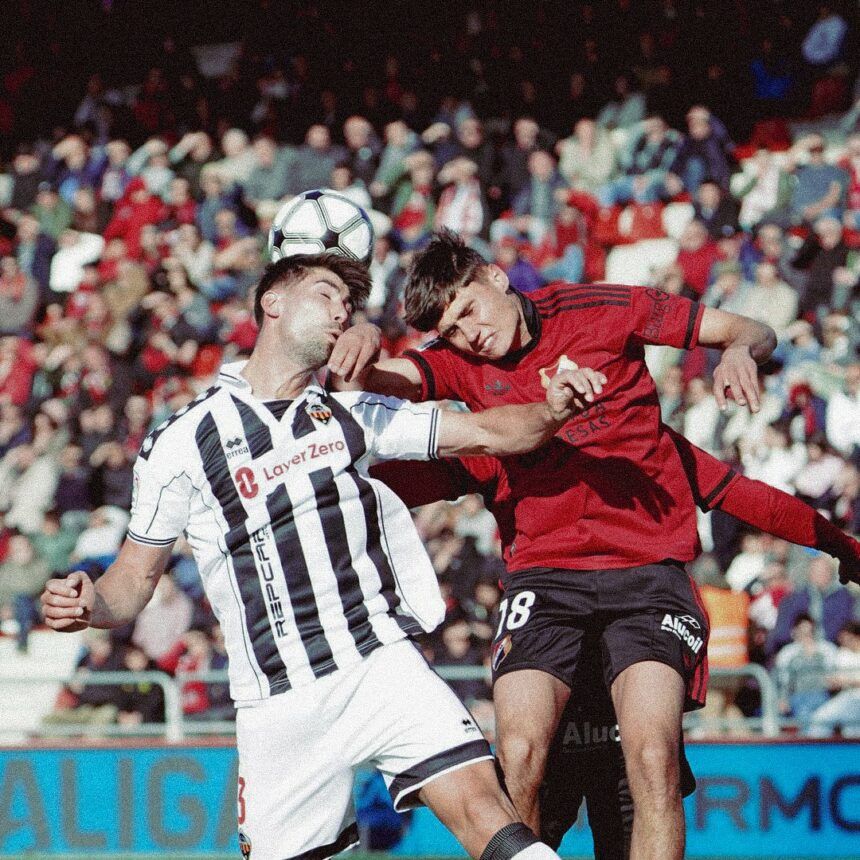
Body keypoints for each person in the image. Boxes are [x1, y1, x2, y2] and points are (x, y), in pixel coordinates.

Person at [40, 253, 599, 860]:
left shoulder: (351, 412)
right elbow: (132, 579)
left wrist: (551, 410)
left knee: (493, 822)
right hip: (278, 704)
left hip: (379, 666)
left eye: (349, 304)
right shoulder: (181, 443)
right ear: (271, 302)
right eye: (328, 293)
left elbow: (489, 432)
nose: (342, 311)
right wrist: (88, 603)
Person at [341, 229, 783, 860]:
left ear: (494, 276)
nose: (469, 334)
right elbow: (391, 376)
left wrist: (739, 350)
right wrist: (361, 346)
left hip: (646, 575)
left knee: (652, 756)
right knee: (518, 753)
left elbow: (753, 330)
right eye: (452, 330)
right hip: (544, 579)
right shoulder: (457, 361)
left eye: (468, 310)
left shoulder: (602, 308)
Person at [370, 427, 860, 859]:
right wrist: (325, 470)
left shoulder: (655, 441)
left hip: (642, 628)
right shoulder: (512, 438)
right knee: (521, 764)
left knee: (648, 769)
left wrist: (840, 544)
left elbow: (751, 497)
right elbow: (400, 481)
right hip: (550, 628)